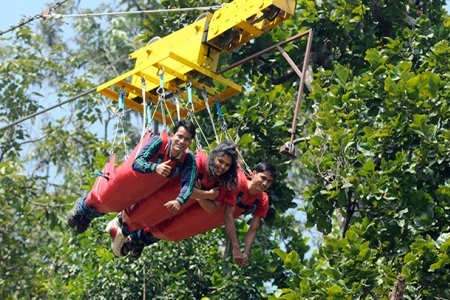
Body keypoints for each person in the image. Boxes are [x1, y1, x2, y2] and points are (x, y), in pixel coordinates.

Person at [121, 161, 276, 266]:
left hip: (211, 219)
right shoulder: (238, 182)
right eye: (263, 178)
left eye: (269, 182)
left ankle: (140, 241)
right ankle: (132, 234)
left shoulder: (261, 200)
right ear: (253, 173)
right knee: (169, 218)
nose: (264, 184)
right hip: (204, 207)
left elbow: (253, 229)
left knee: (173, 232)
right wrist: (236, 248)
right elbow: (228, 215)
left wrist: (245, 253)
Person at [109, 142, 240, 257]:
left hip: (178, 207)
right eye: (220, 161)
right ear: (214, 157)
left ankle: (135, 239)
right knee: (143, 213)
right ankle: (120, 223)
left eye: (227, 165)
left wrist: (199, 196)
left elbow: (213, 208)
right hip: (166, 196)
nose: (222, 167)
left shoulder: (225, 180)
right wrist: (208, 194)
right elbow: (186, 189)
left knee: (164, 227)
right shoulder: (199, 162)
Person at [67, 119, 197, 234]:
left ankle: (89, 216)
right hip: (129, 179)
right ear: (172, 136)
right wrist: (155, 167)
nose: (181, 141)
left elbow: (188, 183)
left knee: (116, 204)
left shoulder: (188, 158)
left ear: (190, 142)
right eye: (179, 136)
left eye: (186, 139)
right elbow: (137, 162)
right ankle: (81, 207)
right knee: (107, 195)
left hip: (143, 190)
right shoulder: (159, 141)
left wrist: (180, 200)